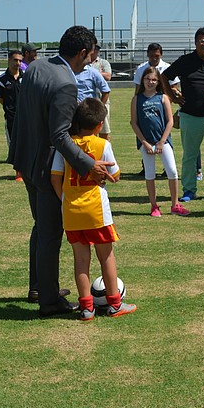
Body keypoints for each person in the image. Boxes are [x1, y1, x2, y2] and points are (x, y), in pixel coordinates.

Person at [8, 25, 117, 316]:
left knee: (41, 228)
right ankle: (49, 300)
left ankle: (40, 287)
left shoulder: (37, 66)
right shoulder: (66, 83)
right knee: (50, 233)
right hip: (45, 169)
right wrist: (88, 164)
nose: (93, 59)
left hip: (26, 160)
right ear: (83, 52)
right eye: (92, 54)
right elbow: (59, 135)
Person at [50, 98, 135, 320]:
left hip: (71, 210)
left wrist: (64, 200)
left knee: (80, 260)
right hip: (97, 210)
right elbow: (115, 174)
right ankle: (115, 304)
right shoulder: (102, 145)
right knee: (106, 256)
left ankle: (86, 308)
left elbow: (55, 177)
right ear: (99, 125)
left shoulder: (65, 145)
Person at [161, 28, 204, 202]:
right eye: (202, 41)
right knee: (189, 155)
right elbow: (164, 76)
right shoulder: (185, 61)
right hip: (190, 116)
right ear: (195, 43)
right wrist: (171, 96)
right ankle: (189, 190)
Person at [130, 66, 190, 217]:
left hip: (163, 142)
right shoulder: (137, 99)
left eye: (154, 80)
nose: (150, 82)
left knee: (172, 171)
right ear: (142, 80)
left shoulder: (163, 98)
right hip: (147, 143)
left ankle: (175, 204)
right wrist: (144, 143)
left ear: (158, 82)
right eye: (147, 79)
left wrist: (162, 142)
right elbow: (134, 123)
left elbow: (170, 121)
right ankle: (154, 206)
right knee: (150, 174)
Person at [0, 50, 23, 180]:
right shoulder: (1, 80)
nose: (18, 63)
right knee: (14, 145)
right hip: (11, 118)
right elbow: (0, 99)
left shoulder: (27, 77)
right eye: (15, 60)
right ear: (9, 60)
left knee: (28, 143)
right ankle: (19, 172)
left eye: (20, 60)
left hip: (27, 117)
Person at [90, 43, 113, 140]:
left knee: (104, 131)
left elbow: (108, 76)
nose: (95, 51)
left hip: (102, 101)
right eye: (94, 49)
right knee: (90, 131)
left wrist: (96, 72)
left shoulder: (103, 63)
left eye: (97, 49)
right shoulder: (84, 63)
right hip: (89, 101)